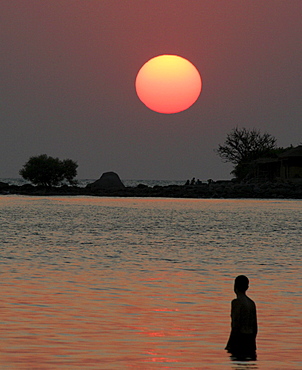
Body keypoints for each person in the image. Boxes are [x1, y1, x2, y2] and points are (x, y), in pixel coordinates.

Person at [225, 275, 258, 361]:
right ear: (247, 287)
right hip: (250, 339)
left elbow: (236, 325)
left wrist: (230, 344)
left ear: (235, 286)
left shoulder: (236, 302)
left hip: (239, 339)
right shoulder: (251, 303)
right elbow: (255, 327)